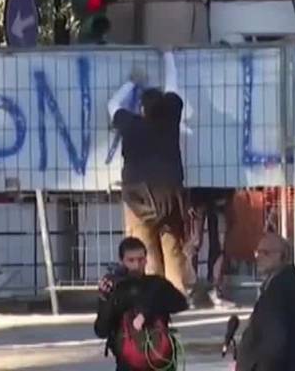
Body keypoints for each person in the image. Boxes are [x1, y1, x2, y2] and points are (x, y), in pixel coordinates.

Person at [108, 52, 188, 294]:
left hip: (137, 196)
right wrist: (168, 55)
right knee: (172, 243)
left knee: (143, 246)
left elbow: (113, 105)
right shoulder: (171, 118)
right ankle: (177, 294)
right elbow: (174, 86)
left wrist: (132, 81)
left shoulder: (131, 125)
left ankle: (149, 295)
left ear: (142, 109)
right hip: (170, 195)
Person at [94, 237, 189, 371]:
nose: (137, 265)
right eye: (131, 260)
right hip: (128, 363)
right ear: (122, 261)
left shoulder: (157, 284)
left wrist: (147, 312)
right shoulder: (116, 289)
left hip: (160, 360)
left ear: (146, 260)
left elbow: (181, 304)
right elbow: (101, 330)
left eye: (141, 260)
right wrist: (104, 300)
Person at [236, 233, 295, 371]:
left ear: (281, 256)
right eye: (257, 252)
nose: (258, 258)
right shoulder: (278, 283)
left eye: (265, 253)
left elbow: (276, 339)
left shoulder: (280, 288)